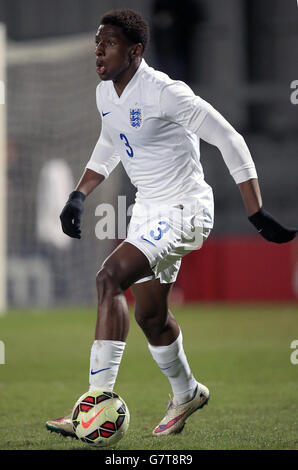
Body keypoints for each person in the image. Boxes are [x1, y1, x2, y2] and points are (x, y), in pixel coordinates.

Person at [46, 9, 297, 438]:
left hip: (185, 209)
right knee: (151, 318)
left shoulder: (165, 92)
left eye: (108, 43)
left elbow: (229, 138)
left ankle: (93, 404)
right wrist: (79, 194)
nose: (98, 50)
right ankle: (187, 392)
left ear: (136, 50)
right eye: (97, 42)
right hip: (148, 209)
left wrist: (255, 211)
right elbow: (110, 141)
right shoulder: (106, 94)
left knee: (109, 277)